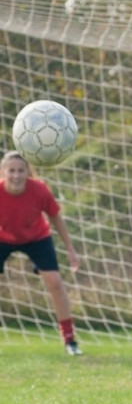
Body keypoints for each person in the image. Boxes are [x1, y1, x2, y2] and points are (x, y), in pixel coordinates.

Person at [0, 150, 83, 356]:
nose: (16, 175)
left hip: (37, 237)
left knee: (55, 283)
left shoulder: (39, 190)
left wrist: (70, 249)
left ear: (29, 172)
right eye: (12, 170)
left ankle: (69, 340)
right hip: (3, 237)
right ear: (4, 172)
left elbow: (55, 217)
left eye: (21, 170)